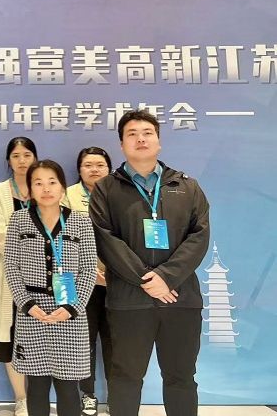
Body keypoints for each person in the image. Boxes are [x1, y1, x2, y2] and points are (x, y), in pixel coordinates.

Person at [89, 110, 211, 416]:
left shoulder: (187, 186)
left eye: (147, 133)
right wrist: (148, 280)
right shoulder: (106, 189)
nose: (140, 139)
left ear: (159, 141)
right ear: (121, 144)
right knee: (125, 378)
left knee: (181, 377)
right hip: (129, 302)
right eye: (132, 134)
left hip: (180, 298)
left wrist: (167, 277)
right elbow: (106, 240)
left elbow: (199, 236)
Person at [4, 160, 97, 416]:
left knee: (68, 387)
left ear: (63, 187)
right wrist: (27, 304)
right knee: (36, 385)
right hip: (32, 312)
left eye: (52, 182)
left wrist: (72, 307)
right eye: (38, 183)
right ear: (30, 189)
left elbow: (89, 270)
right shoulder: (19, 220)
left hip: (70, 313)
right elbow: (11, 266)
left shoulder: (81, 222)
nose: (46, 189)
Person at [0, 137, 38, 416]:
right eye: (16, 156)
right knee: (11, 338)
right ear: (8, 160)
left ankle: (38, 398)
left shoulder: (44, 186)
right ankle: (21, 398)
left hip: (43, 279)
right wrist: (33, 247)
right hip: (9, 277)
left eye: (26, 154)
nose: (21, 160)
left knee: (41, 337)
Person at [63, 147, 113, 416]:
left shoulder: (120, 194)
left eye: (100, 165)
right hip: (82, 282)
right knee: (84, 341)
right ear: (79, 169)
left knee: (116, 341)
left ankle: (117, 395)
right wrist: (89, 271)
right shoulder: (67, 196)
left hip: (117, 281)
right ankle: (88, 395)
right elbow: (61, 239)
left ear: (109, 169)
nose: (94, 169)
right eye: (88, 165)